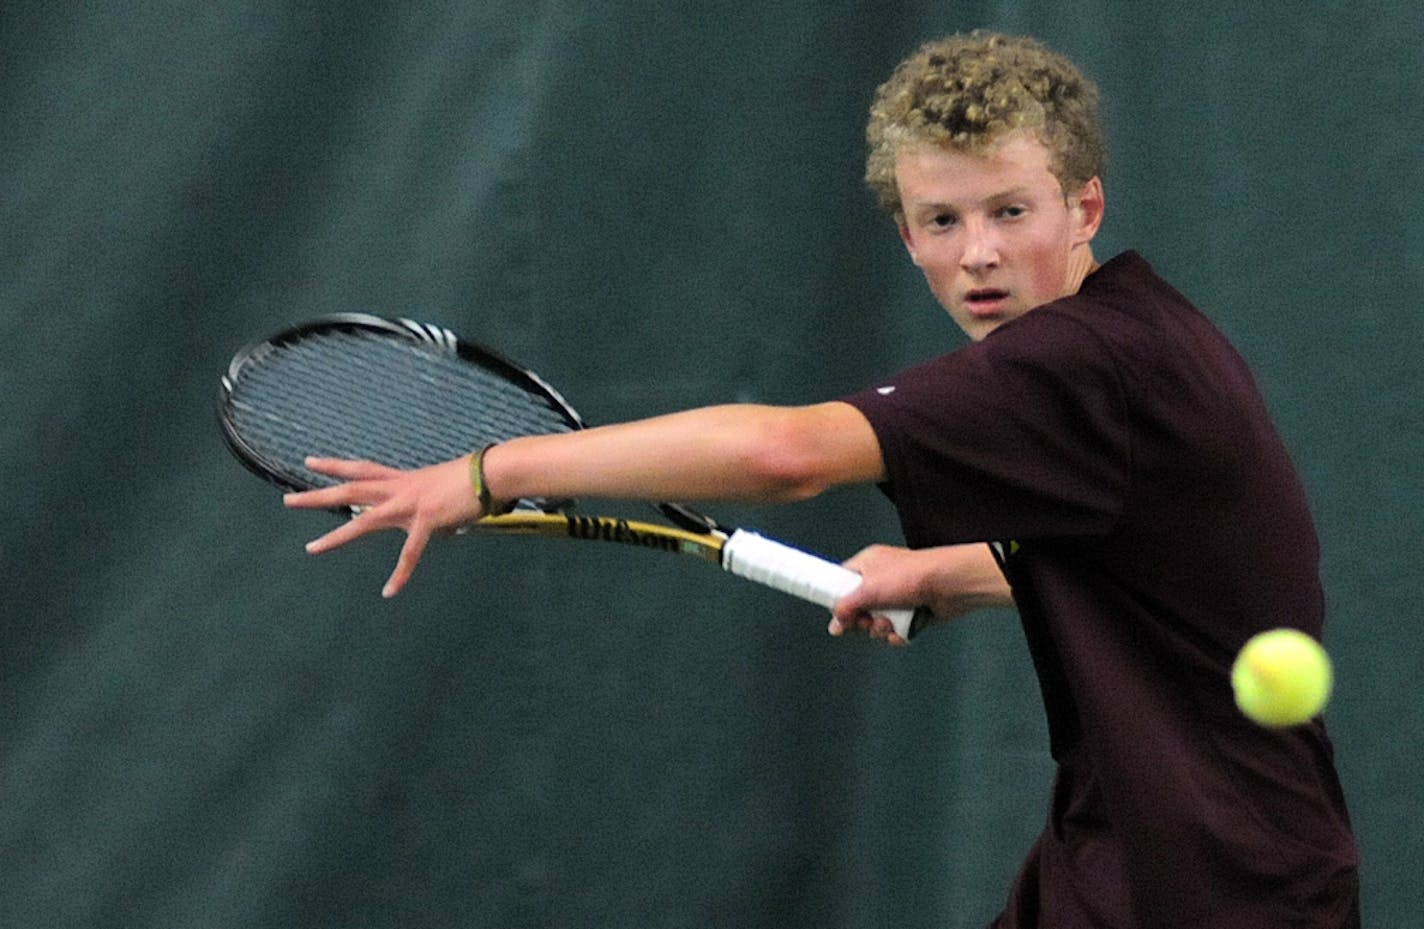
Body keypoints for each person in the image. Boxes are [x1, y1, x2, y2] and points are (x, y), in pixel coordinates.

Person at [286, 31, 1359, 928]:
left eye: (1008, 211)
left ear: (1082, 207)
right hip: (1155, 857)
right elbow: (1166, 565)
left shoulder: (1076, 360)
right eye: (942, 221)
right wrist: (946, 568)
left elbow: (781, 454)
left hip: (1204, 886)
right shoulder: (1148, 331)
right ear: (905, 236)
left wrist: (491, 469)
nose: (976, 253)